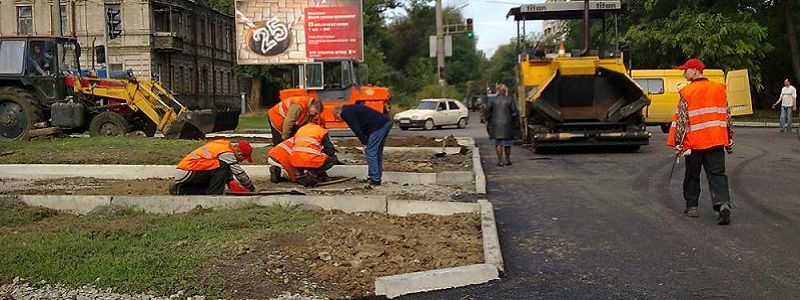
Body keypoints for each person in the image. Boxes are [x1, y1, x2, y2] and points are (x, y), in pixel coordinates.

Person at [667, 58, 734, 225]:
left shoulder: (687, 92)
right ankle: (723, 204)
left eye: (686, 70)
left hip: (695, 143)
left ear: (695, 70)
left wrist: (678, 144)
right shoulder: (719, 89)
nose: (683, 73)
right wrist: (729, 139)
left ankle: (692, 207)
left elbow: (682, 120)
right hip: (716, 141)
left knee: (691, 175)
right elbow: (727, 116)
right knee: (718, 175)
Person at [332, 104, 391, 187]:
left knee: (370, 152)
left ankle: (375, 179)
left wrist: (365, 142)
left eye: (337, 117)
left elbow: (357, 129)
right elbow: (364, 125)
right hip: (384, 122)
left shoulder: (346, 113)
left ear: (338, 112)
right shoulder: (351, 109)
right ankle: (375, 177)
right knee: (376, 152)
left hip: (378, 126)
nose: (340, 119)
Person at [170, 139, 256, 195]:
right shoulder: (227, 153)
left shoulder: (223, 146)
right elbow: (239, 173)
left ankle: (181, 191)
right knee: (223, 167)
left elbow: (228, 179)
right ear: (239, 153)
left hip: (186, 171)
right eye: (243, 158)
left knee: (218, 180)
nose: (241, 161)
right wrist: (251, 188)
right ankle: (213, 195)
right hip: (188, 170)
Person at [266, 96, 321, 182]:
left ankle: (279, 170)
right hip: (277, 119)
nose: (314, 115)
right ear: (312, 106)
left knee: (289, 148)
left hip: (286, 123)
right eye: (315, 112)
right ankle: (277, 169)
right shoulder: (299, 104)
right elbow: (289, 121)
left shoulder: (307, 109)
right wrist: (285, 137)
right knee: (281, 148)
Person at [288, 123, 339, 187]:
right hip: (311, 160)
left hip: (295, 161)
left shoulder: (300, 130)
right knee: (333, 159)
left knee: (301, 156)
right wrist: (323, 153)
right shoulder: (321, 131)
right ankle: (312, 173)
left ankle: (299, 174)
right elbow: (330, 151)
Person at [484, 84, 518, 166]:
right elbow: (514, 113)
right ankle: (507, 160)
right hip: (507, 124)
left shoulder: (492, 100)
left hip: (495, 124)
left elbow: (487, 112)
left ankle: (500, 161)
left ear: (497, 90)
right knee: (507, 144)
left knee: (498, 143)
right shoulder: (510, 99)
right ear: (505, 91)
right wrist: (513, 122)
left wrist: (489, 120)